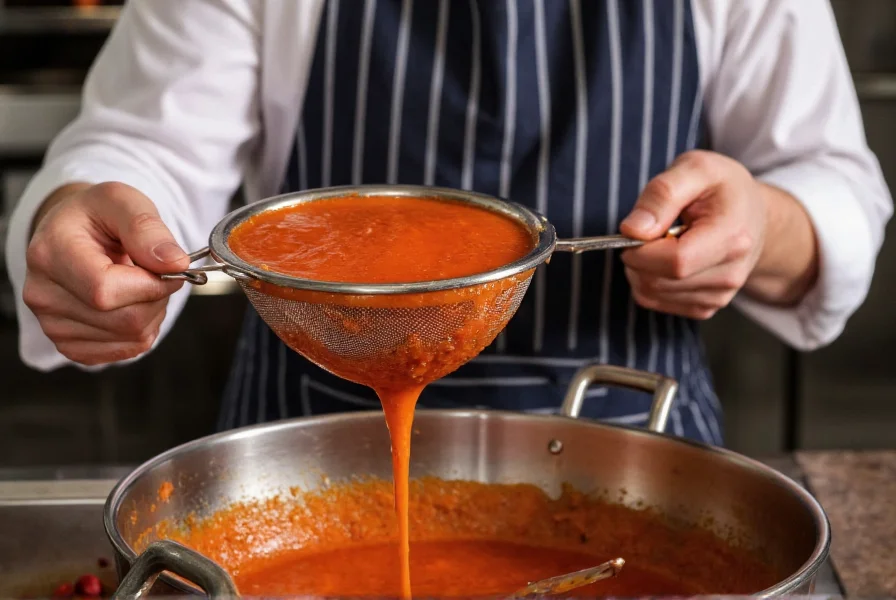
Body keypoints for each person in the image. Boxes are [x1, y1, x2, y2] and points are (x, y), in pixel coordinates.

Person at [6, 0, 892, 446]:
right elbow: (144, 144)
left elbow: (834, 185)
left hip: (635, 456)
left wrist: (762, 228)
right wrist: (86, 214)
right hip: (308, 448)